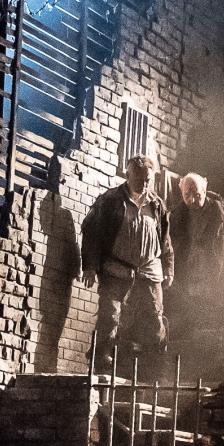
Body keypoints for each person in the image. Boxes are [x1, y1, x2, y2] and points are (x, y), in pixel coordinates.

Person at [82, 155, 174, 369]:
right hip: (117, 268)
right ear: (127, 175)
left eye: (148, 180)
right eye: (140, 179)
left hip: (149, 271)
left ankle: (156, 366)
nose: (145, 184)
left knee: (154, 319)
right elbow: (92, 234)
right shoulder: (110, 201)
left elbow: (165, 241)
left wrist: (169, 268)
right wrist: (90, 266)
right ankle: (100, 361)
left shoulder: (157, 205)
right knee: (109, 316)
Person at [169, 172, 224, 340]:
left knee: (212, 331)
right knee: (187, 330)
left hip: (215, 283)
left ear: (205, 189)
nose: (192, 200)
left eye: (197, 194)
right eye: (187, 195)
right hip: (187, 284)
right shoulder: (176, 218)